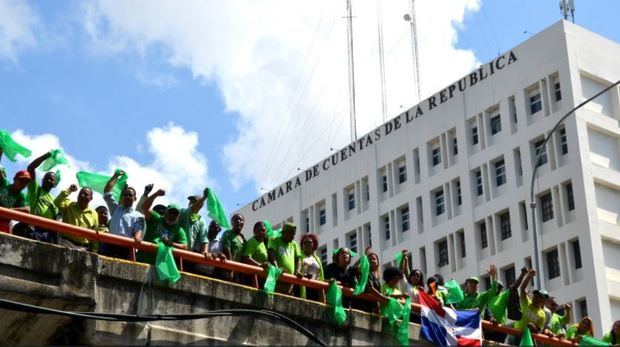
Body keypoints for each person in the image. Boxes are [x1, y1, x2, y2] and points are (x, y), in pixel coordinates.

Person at [99, 171, 144, 260]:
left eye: (130, 195)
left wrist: (138, 237)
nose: (127, 197)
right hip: (109, 245)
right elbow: (107, 192)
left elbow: (138, 230)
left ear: (135, 198)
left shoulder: (138, 216)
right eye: (125, 195)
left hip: (125, 247)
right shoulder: (115, 208)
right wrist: (115, 176)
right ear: (122, 197)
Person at [137, 188, 187, 264]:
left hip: (160, 265)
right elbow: (144, 207)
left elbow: (185, 247)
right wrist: (156, 194)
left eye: (175, 214)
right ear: (165, 212)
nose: (172, 215)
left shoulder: (179, 230)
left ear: (178, 217)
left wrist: (171, 243)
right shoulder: (156, 218)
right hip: (142, 259)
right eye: (170, 212)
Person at [20, 151, 59, 242]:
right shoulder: (35, 189)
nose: (50, 181)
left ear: (55, 184)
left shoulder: (54, 199)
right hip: (33, 228)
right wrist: (46, 155)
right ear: (42, 180)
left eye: (52, 180)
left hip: (47, 234)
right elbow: (31, 168)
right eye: (47, 178)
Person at [54, 184, 98, 250]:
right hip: (66, 243)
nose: (82, 196)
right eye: (81, 194)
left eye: (86, 194)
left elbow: (95, 233)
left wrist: (94, 251)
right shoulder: (69, 205)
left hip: (84, 248)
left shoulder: (94, 213)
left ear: (91, 198)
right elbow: (56, 202)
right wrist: (69, 190)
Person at [512, 269, 546, 345]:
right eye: (535, 296)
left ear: (542, 300)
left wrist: (533, 326)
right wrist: (529, 276)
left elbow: (539, 330)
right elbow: (522, 288)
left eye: (538, 297)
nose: (535, 298)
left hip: (528, 339)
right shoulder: (526, 302)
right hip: (516, 334)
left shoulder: (542, 314)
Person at [0, 147, 30, 232]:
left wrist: (7, 211)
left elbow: (27, 209)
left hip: (4, 222)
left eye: (26, 182)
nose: (23, 183)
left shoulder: (21, 196)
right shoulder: (4, 183)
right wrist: (1, 152)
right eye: (21, 180)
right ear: (14, 179)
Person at [179, 192, 211, 272]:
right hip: (177, 250)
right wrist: (204, 197)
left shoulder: (201, 220)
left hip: (189, 255)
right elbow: (191, 210)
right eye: (190, 201)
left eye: (194, 202)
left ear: (201, 205)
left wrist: (205, 251)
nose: (191, 203)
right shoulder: (183, 212)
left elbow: (204, 239)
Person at [267, 222, 301, 294]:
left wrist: (297, 272)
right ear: (284, 233)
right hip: (278, 278)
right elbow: (271, 254)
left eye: (294, 234)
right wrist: (277, 269)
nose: (293, 236)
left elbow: (298, 260)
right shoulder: (275, 240)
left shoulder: (294, 244)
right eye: (291, 234)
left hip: (290, 280)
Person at [351, 247, 387, 314]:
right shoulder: (365, 273)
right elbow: (369, 288)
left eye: (374, 259)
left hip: (371, 308)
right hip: (362, 305)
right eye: (370, 259)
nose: (372, 260)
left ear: (378, 262)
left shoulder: (377, 277)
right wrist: (382, 296)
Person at [296, 233, 324, 303]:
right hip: (304, 286)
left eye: (309, 242)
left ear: (314, 245)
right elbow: (297, 271)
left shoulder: (317, 259)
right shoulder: (299, 256)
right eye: (304, 242)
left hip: (316, 287)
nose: (307, 244)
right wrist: (304, 275)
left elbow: (320, 275)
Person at [220, 214, 246, 281]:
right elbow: (226, 250)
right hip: (228, 269)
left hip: (239, 272)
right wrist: (231, 269)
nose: (238, 221)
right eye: (236, 220)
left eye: (241, 220)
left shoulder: (244, 239)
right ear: (232, 223)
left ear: (244, 223)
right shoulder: (227, 234)